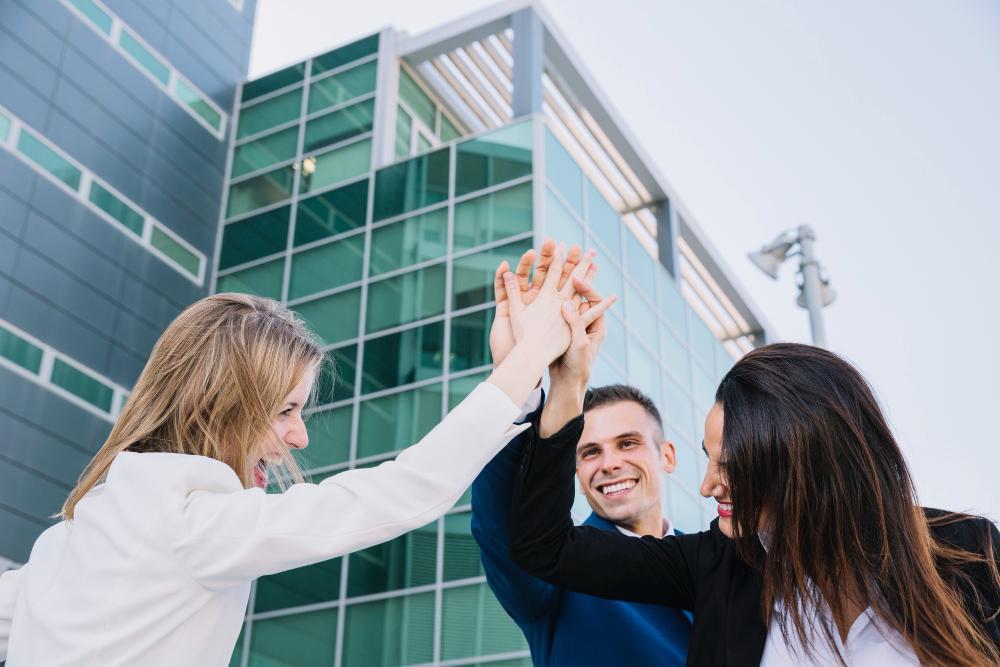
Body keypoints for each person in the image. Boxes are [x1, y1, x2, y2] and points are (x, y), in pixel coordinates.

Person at [0, 241, 615, 666]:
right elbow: (405, 489)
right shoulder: (190, 525)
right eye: (285, 410)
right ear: (220, 405)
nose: (299, 437)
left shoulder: (69, 543)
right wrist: (526, 359)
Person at [508, 341, 1000, 667]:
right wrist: (567, 386)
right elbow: (543, 547)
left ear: (804, 460)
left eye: (732, 467)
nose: (708, 486)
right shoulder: (715, 564)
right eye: (708, 459)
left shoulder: (969, 549)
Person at [471, 240, 691, 666]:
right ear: (574, 471)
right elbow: (503, 530)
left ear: (667, 455)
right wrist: (517, 371)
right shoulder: (559, 570)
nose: (609, 463)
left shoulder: (720, 561)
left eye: (628, 443)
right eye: (590, 452)